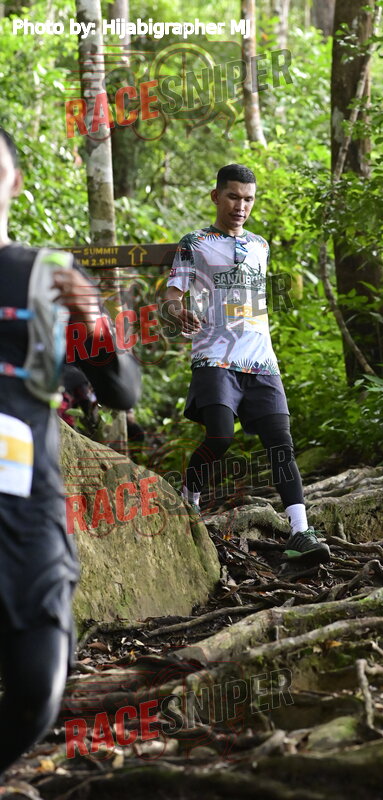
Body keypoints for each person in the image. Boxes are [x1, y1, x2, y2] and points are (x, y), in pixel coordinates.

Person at [0, 128, 141, 789]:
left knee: (37, 688)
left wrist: (96, 328)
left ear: (14, 182)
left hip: (25, 517)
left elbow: (123, 392)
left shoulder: (46, 276)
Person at [165, 163, 330, 565]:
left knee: (281, 443)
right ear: (216, 196)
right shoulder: (194, 243)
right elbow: (171, 296)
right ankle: (190, 498)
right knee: (220, 436)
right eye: (233, 197)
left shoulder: (260, 245)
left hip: (261, 361)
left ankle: (300, 531)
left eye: (248, 199)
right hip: (214, 356)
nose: (241, 206)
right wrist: (177, 312)